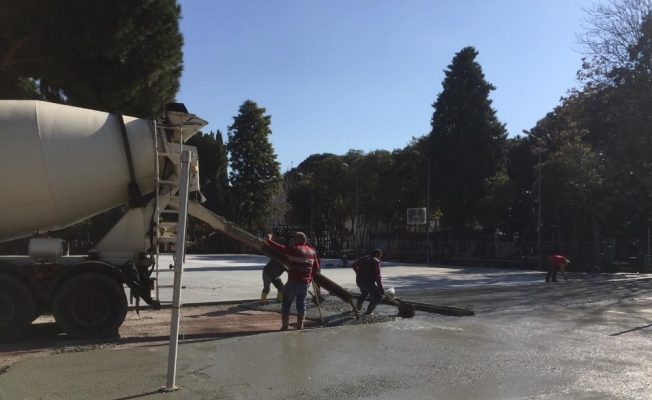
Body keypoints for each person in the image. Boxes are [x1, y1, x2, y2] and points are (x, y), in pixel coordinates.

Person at [265, 232, 320, 330]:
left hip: (293, 282)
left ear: (300, 240)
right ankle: (300, 325)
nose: (293, 241)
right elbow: (316, 267)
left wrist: (269, 240)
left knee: (286, 303)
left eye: (295, 239)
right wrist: (309, 275)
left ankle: (285, 326)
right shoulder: (312, 252)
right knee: (301, 304)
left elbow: (280, 248)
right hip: (304, 284)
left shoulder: (295, 250)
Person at [351, 249, 384, 316]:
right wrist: (380, 288)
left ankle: (357, 308)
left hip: (359, 281)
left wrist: (358, 272)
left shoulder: (363, 258)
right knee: (378, 297)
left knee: (364, 292)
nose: (380, 258)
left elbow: (354, 265)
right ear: (377, 254)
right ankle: (368, 312)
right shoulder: (376, 262)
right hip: (368, 283)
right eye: (380, 256)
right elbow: (378, 277)